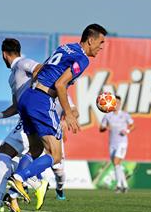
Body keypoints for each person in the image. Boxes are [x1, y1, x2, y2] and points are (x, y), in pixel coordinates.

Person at [8, 24, 107, 202]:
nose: (101, 47)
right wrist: (68, 113)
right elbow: (60, 85)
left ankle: (12, 196)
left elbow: (42, 71)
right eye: (101, 42)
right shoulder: (82, 59)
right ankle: (19, 178)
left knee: (35, 149)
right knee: (56, 156)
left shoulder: (65, 48)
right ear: (90, 40)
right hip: (42, 101)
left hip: (29, 96)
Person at [0, 38, 48, 212]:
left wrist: (34, 95)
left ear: (4, 54)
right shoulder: (12, 76)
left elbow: (40, 69)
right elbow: (16, 105)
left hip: (32, 119)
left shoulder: (23, 63)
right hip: (24, 121)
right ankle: (35, 180)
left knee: (3, 155)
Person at [99, 96, 134, 193]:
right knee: (116, 165)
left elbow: (132, 125)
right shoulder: (108, 116)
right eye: (116, 103)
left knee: (116, 162)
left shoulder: (125, 115)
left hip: (122, 142)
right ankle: (125, 186)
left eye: (119, 102)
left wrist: (127, 130)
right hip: (112, 143)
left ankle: (118, 185)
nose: (117, 105)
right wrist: (106, 127)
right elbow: (101, 129)